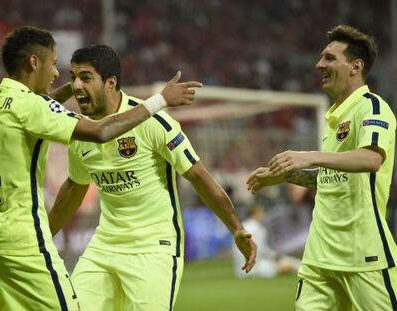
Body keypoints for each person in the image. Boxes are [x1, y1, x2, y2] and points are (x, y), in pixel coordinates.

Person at [0, 25, 201, 311]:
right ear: (34, 62)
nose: (56, 73)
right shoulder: (30, 107)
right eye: (53, 64)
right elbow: (101, 131)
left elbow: (35, 108)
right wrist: (160, 100)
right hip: (20, 237)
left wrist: (78, 87)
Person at [48, 44, 257, 311]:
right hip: (105, 245)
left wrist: (237, 229)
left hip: (153, 248)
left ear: (110, 82)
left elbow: (198, 176)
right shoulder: (81, 132)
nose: (76, 86)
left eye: (86, 78)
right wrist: (40, 238)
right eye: (73, 77)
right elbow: (75, 188)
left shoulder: (154, 122)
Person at [247, 25, 397, 310]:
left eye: (329, 58)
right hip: (319, 257)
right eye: (320, 58)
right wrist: (283, 175)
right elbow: (332, 177)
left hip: (363, 255)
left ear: (356, 66)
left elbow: (370, 159)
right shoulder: (333, 118)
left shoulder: (372, 108)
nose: (319, 65)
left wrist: (310, 156)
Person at [232, 204, 301, 278]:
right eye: (261, 212)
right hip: (256, 267)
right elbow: (260, 250)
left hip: (240, 269)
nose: (263, 214)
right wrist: (275, 256)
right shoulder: (258, 228)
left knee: (285, 262)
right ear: (255, 213)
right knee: (295, 263)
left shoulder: (242, 227)